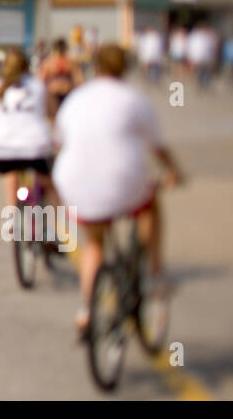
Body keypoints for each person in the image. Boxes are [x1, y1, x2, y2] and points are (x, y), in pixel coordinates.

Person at [52, 44, 183, 335]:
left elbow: (59, 142)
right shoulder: (134, 99)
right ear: (125, 68)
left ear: (95, 68)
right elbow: (158, 147)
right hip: (123, 180)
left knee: (94, 245)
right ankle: (155, 274)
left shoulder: (75, 99)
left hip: (75, 182)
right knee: (151, 204)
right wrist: (174, 172)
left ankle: (86, 311)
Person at [0, 48, 56, 234]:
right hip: (35, 145)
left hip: (3, 146)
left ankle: (11, 217)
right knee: (50, 184)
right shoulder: (37, 85)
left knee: (11, 173)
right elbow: (52, 114)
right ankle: (52, 228)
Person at [39, 37, 82, 114]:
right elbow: (41, 80)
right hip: (54, 95)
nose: (60, 51)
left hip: (66, 94)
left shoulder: (70, 62)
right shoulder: (49, 63)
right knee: (54, 117)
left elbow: (79, 79)